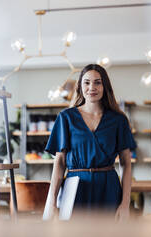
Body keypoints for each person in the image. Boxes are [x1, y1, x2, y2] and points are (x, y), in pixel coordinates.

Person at [45, 64, 136, 220]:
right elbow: (59, 163)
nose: (91, 87)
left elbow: (126, 163)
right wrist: (51, 202)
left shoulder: (118, 120)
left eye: (97, 82)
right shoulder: (66, 118)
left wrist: (125, 204)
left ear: (104, 86)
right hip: (74, 189)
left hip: (108, 188)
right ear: (80, 87)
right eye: (86, 82)